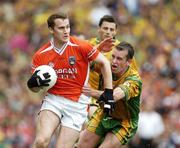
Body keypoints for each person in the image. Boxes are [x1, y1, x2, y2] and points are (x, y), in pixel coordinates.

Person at [27, 12, 114, 148]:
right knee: (41, 141)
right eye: (61, 28)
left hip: (77, 105)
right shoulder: (40, 55)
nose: (66, 31)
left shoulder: (81, 46)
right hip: (54, 100)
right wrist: (31, 84)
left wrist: (108, 92)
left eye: (68, 27)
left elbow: (104, 63)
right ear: (51, 29)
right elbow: (35, 88)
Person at [77, 41, 142, 147]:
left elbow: (114, 96)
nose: (114, 61)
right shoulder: (106, 65)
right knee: (81, 146)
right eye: (113, 56)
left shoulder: (134, 80)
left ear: (129, 62)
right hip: (103, 113)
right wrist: (96, 50)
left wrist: (91, 92)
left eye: (119, 59)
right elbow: (82, 63)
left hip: (123, 122)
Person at [88, 15, 138, 117]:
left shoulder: (122, 51)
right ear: (99, 29)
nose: (108, 32)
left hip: (109, 95)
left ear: (115, 32)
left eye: (111, 29)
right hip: (88, 93)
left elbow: (132, 75)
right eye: (105, 28)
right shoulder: (89, 45)